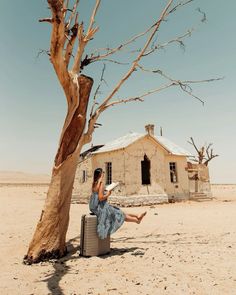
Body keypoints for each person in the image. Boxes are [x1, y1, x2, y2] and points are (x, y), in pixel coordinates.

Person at [89, 168, 147, 239]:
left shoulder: (94, 183)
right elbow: (101, 198)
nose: (104, 174)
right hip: (99, 207)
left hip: (93, 206)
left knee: (118, 211)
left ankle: (137, 216)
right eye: (103, 172)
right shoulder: (100, 183)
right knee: (119, 214)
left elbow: (96, 195)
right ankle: (137, 220)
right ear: (101, 174)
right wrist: (108, 194)